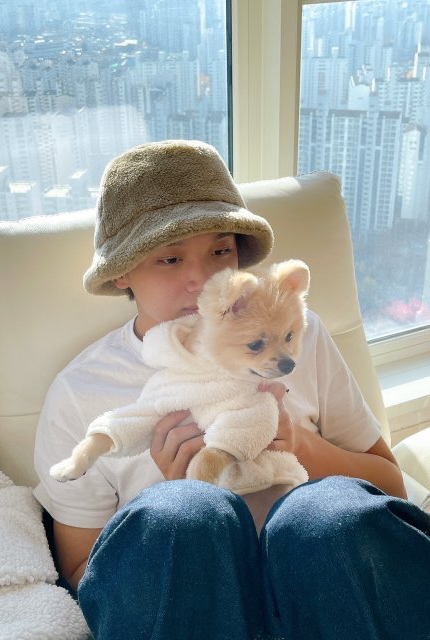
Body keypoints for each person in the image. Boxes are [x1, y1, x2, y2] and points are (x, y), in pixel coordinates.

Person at [33, 139, 430, 640]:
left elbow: (390, 487)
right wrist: (181, 497)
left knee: (326, 514)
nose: (202, 279)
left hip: (326, 592)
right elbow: (80, 571)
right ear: (120, 274)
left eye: (220, 251)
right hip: (194, 608)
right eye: (170, 259)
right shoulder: (82, 390)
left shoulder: (294, 337)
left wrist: (300, 446)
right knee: (181, 514)